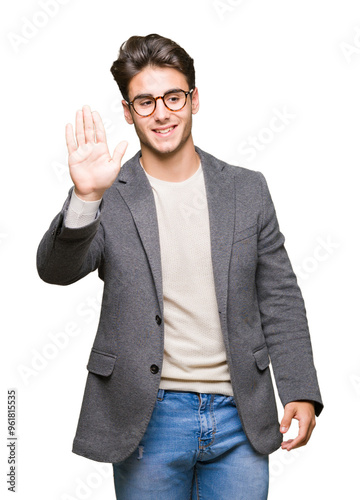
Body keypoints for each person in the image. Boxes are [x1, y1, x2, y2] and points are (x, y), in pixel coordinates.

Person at [37, 33, 323, 499]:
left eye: (173, 96)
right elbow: (57, 269)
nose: (161, 112)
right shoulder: (110, 192)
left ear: (193, 100)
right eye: (144, 102)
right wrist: (87, 198)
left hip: (241, 416)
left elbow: (279, 297)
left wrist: (300, 389)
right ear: (128, 113)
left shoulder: (247, 190)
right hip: (147, 415)